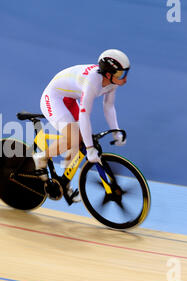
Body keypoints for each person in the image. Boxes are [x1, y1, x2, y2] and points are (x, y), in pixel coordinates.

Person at [33, 49, 130, 202]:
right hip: (54, 97)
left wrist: (116, 131)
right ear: (108, 74)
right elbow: (84, 115)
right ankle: (41, 157)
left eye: (125, 74)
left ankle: (64, 183)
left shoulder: (112, 82)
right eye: (120, 75)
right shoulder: (92, 82)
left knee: (81, 140)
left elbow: (109, 107)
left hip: (70, 97)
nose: (124, 79)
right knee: (76, 137)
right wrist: (90, 149)